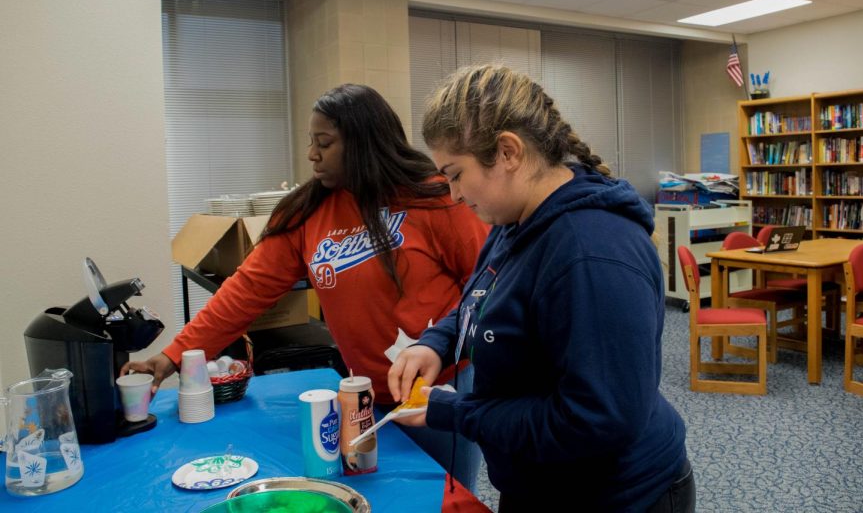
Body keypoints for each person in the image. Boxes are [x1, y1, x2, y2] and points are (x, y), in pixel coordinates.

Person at [122, 84, 488, 492]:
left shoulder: (435, 197)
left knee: (445, 497)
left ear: (365, 143)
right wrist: (173, 356)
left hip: (439, 391)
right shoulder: (308, 212)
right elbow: (245, 291)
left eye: (325, 143)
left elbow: (487, 289)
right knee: (381, 495)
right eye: (311, 142)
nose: (312, 154)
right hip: (359, 394)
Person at [388, 64, 694, 512]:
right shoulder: (513, 220)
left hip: (616, 496)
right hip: (542, 481)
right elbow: (484, 299)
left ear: (508, 152)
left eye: (455, 174)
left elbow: (596, 419)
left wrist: (455, 412)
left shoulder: (590, 255)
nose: (452, 194)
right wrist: (438, 341)